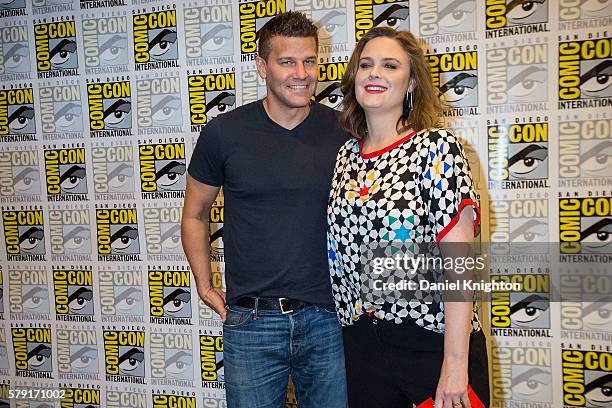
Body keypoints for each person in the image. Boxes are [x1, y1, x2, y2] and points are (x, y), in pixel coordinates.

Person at [182, 11, 347, 408]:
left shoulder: (345, 130)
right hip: (251, 322)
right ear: (262, 66)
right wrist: (204, 285)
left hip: (329, 319)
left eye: (309, 60)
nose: (302, 72)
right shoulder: (224, 132)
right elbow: (194, 214)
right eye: (286, 61)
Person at [327, 27, 490, 408]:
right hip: (361, 347)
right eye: (365, 65)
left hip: (431, 345)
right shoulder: (345, 158)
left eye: (390, 65)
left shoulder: (437, 148)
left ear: (411, 81)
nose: (374, 74)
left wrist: (453, 365)